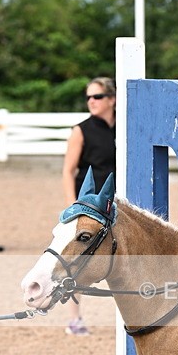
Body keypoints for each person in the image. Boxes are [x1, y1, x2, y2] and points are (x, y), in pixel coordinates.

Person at [62, 76, 116, 335]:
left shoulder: (125, 129)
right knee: (77, 259)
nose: (91, 101)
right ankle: (74, 319)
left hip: (117, 204)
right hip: (88, 204)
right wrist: (74, 207)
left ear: (112, 99)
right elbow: (68, 171)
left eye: (97, 96)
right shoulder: (80, 130)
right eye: (89, 97)